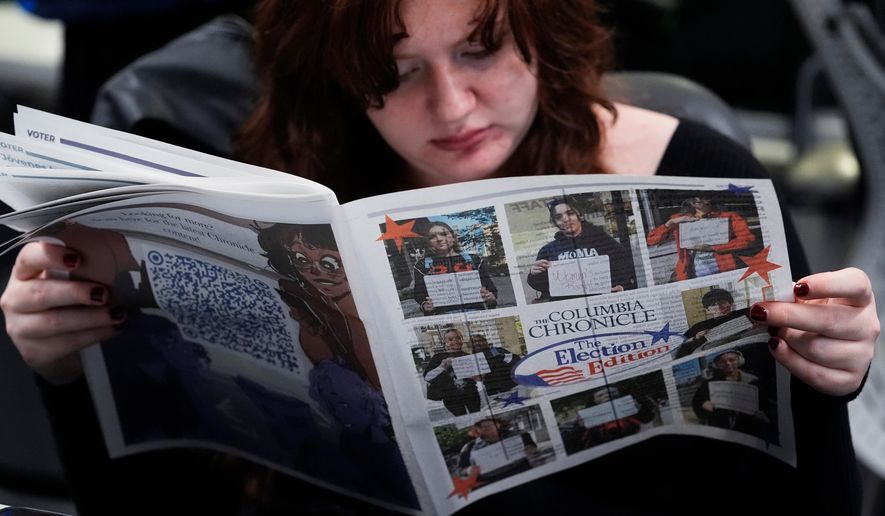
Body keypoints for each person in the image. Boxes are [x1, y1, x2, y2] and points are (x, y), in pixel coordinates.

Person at [0, 0, 877, 514]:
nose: (452, 106)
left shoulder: (698, 178)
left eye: (478, 49)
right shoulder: (270, 200)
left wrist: (824, 381)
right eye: (393, 70)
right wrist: (68, 371)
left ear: (539, 29)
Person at [527, 196, 636, 300]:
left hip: (602, 302)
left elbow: (627, 269)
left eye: (570, 213)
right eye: (558, 217)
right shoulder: (548, 250)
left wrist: (622, 286)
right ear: (555, 223)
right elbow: (541, 286)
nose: (565, 219)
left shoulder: (603, 241)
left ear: (580, 216)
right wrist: (534, 275)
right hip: (570, 306)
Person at [646, 194, 757, 281]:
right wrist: (670, 222)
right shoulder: (679, 219)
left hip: (724, 267)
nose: (697, 199)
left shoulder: (729, 216)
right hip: (691, 272)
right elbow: (652, 240)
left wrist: (714, 248)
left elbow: (748, 239)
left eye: (702, 196)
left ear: (710, 198)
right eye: (693, 197)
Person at [411, 221, 498, 315]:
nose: (439, 239)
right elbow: (419, 295)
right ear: (428, 242)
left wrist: (490, 297)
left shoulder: (474, 259)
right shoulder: (422, 265)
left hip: (476, 313)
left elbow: (491, 290)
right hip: (443, 317)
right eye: (432, 237)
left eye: (443, 234)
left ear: (453, 237)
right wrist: (425, 306)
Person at [691, 350, 772, 439]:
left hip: (749, 431)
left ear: (739, 360)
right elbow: (697, 401)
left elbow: (765, 405)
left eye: (732, 360)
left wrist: (762, 414)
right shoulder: (708, 384)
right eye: (722, 361)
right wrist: (703, 404)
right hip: (721, 431)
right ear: (717, 364)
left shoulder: (753, 381)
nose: (728, 363)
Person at [456, 417, 538, 486]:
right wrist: (468, 470)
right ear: (477, 429)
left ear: (499, 424)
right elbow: (459, 470)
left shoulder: (519, 435)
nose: (487, 427)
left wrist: (531, 449)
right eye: (481, 426)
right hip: (490, 483)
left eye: (491, 423)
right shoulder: (469, 447)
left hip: (521, 475)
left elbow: (533, 448)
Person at [674, 287, 753, 358]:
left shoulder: (745, 313)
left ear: (731, 303)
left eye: (722, 302)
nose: (718, 307)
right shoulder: (698, 327)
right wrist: (695, 338)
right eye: (713, 305)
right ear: (707, 310)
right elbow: (679, 348)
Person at [422, 328, 482, 416]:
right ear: (445, 342)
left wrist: (476, 377)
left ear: (462, 339)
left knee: (477, 416)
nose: (455, 341)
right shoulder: (438, 357)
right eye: (450, 339)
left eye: (458, 338)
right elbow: (427, 377)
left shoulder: (469, 356)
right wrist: (441, 366)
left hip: (471, 395)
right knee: (462, 419)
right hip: (450, 398)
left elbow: (480, 378)